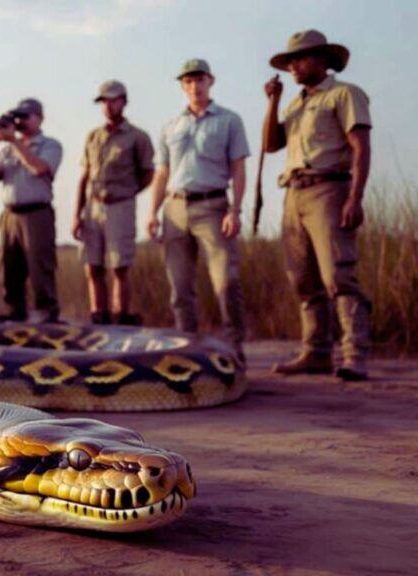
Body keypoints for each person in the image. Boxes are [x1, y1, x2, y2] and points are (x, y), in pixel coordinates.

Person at [263, 30, 372, 381]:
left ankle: (354, 355)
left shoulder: (344, 94)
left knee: (338, 276)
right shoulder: (295, 104)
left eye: (300, 58)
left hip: (329, 190)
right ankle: (316, 352)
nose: (293, 66)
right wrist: (273, 102)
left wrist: (355, 197)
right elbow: (270, 145)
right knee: (302, 278)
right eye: (290, 61)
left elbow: (360, 147)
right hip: (294, 193)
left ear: (322, 60)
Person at [145, 59, 250, 363]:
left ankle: (234, 348)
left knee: (226, 281)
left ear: (211, 81)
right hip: (175, 207)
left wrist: (235, 209)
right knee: (180, 287)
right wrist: (153, 212)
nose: (194, 87)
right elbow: (162, 172)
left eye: (199, 80)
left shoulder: (229, 120)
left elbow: (238, 167)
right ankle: (187, 348)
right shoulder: (171, 125)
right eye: (188, 82)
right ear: (182, 86)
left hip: (213, 205)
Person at [72, 80, 155, 325]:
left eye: (113, 100)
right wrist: (77, 214)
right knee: (92, 265)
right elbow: (84, 176)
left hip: (120, 204)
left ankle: (121, 316)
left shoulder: (137, 137)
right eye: (103, 102)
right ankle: (99, 315)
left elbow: (148, 174)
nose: (108, 106)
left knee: (119, 265)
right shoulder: (93, 136)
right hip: (92, 205)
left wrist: (126, 193)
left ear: (124, 101)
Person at [0, 98, 63, 323]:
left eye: (26, 117)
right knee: (9, 266)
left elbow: (39, 168)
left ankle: (47, 311)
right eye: (18, 118)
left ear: (40, 118)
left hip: (36, 213)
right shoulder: (8, 148)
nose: (20, 122)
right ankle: (14, 310)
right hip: (10, 214)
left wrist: (15, 143)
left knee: (40, 266)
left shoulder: (50, 145)